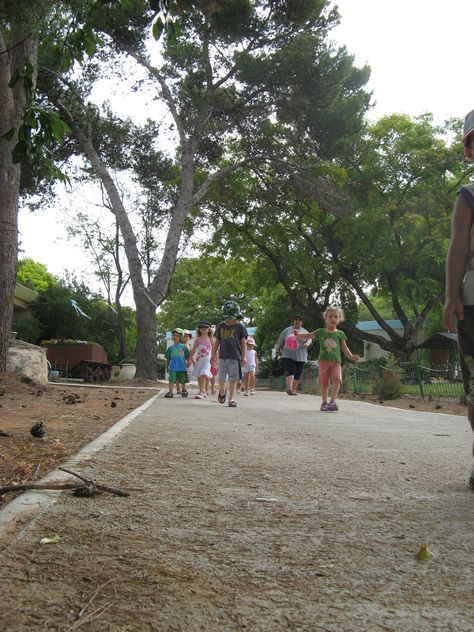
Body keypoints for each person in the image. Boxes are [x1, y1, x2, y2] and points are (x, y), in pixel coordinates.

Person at [443, 108, 474, 489]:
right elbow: (458, 248)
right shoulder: (468, 196)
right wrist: (452, 294)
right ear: (469, 150)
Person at [295, 305, 359, 411]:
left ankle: (332, 402)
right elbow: (309, 335)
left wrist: (351, 356)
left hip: (336, 362)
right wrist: (298, 335)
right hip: (323, 362)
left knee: (337, 380)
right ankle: (324, 403)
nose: (333, 319)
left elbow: (345, 348)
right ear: (326, 318)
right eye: (330, 316)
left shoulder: (340, 334)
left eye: (336, 317)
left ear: (339, 319)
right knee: (324, 383)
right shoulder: (320, 332)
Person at [212, 300, 247, 407]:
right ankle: (222, 390)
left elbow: (243, 343)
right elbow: (217, 340)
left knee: (233, 379)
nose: (230, 319)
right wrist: (213, 354)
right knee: (221, 378)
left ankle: (231, 399)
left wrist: (243, 356)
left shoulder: (240, 327)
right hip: (222, 356)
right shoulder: (220, 326)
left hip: (235, 356)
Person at [276, 315, 312, 395]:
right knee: (290, 370)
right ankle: (289, 388)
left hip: (301, 356)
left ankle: (293, 390)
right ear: (293, 321)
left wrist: (307, 343)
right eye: (295, 319)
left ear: (301, 323)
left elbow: (310, 338)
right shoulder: (287, 330)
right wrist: (278, 349)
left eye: (299, 320)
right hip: (287, 355)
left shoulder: (304, 331)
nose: (297, 321)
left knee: (298, 373)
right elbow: (280, 341)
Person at [189, 321, 213, 399]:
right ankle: (203, 390)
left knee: (203, 374)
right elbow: (193, 350)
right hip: (199, 360)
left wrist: (215, 360)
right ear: (199, 330)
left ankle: (201, 392)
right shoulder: (198, 340)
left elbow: (214, 350)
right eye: (202, 327)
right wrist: (189, 359)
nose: (204, 329)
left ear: (209, 329)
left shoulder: (211, 339)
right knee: (199, 376)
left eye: (206, 327)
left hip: (207, 361)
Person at [164, 329, 190, 398]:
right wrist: (167, 367)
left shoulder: (184, 347)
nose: (174, 337)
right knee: (171, 379)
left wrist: (188, 363)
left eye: (177, 335)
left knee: (183, 380)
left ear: (181, 337)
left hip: (182, 367)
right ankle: (170, 392)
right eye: (173, 335)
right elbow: (168, 359)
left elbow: (188, 357)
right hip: (173, 367)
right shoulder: (170, 348)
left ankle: (184, 390)